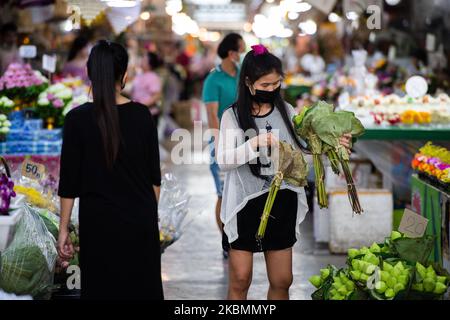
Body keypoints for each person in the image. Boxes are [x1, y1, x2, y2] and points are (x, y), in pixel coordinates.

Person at [217, 45, 352, 300]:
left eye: (276, 84)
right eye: (265, 85)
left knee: (282, 280)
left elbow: (303, 155)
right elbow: (223, 161)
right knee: (240, 279)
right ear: (248, 82)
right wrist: (254, 143)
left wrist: (330, 146)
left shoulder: (287, 111)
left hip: (282, 201)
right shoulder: (232, 116)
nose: (272, 90)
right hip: (245, 203)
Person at [57, 40, 163, 300]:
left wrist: (63, 231)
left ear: (90, 74)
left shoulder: (76, 119)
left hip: (98, 224)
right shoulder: (141, 115)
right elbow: (154, 179)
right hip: (139, 221)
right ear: (124, 75)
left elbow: (69, 183)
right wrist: (148, 219)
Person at [202, 33, 246, 259]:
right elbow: (212, 115)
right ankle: (226, 241)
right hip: (221, 144)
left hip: (245, 142)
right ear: (232, 53)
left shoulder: (241, 76)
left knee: (240, 192)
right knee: (223, 194)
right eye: (242, 50)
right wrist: (220, 146)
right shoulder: (213, 79)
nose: (243, 54)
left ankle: (238, 237)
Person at [131, 52, 163, 125]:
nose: (141, 61)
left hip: (149, 113)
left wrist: (141, 106)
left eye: (144, 60)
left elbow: (156, 96)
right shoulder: (139, 75)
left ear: (150, 64)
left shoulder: (153, 77)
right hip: (137, 112)